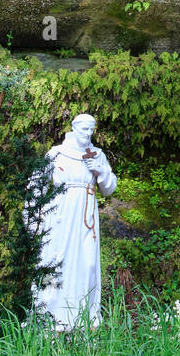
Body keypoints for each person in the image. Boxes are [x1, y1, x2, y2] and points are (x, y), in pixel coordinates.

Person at [32, 113, 117, 329]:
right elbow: (36, 184)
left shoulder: (97, 155)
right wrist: (36, 216)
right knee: (57, 257)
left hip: (87, 215)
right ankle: (51, 313)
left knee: (86, 263)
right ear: (73, 128)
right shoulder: (57, 154)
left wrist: (99, 172)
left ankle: (83, 316)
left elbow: (109, 189)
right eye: (84, 129)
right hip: (61, 213)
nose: (88, 134)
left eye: (91, 129)